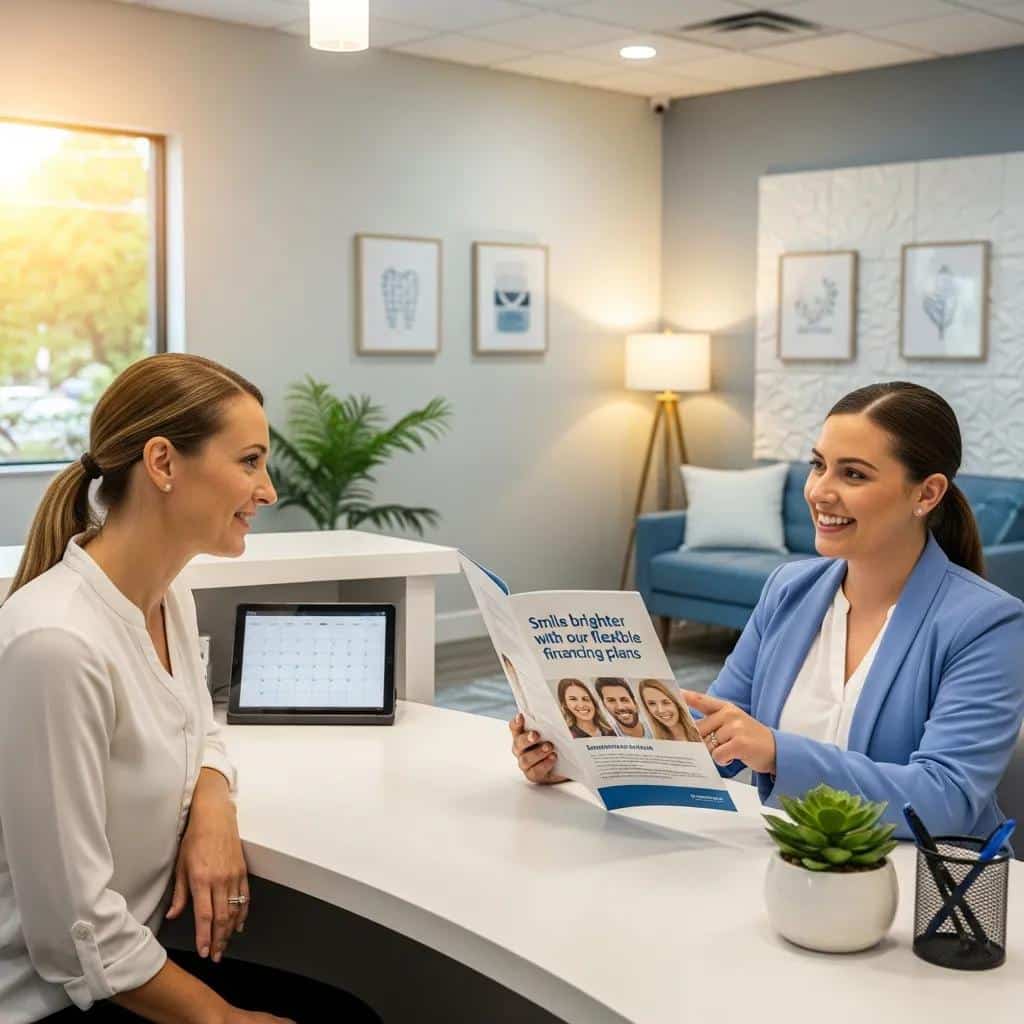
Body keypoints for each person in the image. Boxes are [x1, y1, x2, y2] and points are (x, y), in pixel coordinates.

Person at [0, 354, 379, 1023]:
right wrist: (226, 1020)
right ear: (163, 463)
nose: (268, 491)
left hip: (126, 969)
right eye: (250, 461)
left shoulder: (168, 596)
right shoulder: (56, 644)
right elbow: (74, 934)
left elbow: (200, 729)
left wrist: (212, 805)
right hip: (51, 1002)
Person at [510, 382, 1024, 838]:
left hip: (922, 887)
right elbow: (714, 733)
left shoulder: (985, 624)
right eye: (819, 465)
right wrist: (579, 758)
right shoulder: (789, 590)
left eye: (853, 474)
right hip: (790, 861)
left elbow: (945, 800)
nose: (820, 491)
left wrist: (777, 752)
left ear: (927, 493)